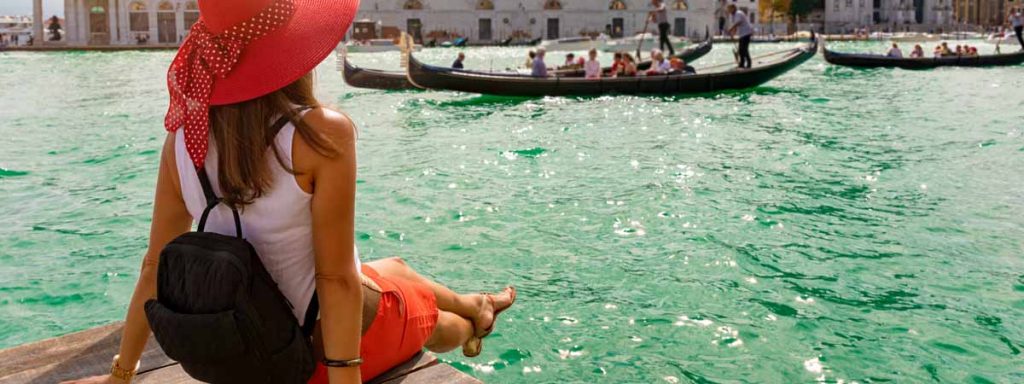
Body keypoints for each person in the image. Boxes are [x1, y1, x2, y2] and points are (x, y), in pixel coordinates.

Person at [61, 1, 517, 384]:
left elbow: (153, 266)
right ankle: (473, 323)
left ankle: (477, 302)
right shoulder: (320, 134)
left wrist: (121, 374)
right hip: (306, 360)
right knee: (432, 320)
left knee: (394, 268)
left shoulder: (182, 138)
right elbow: (335, 282)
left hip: (241, 343)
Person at [727, 4, 754, 69]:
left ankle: (749, 64)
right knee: (741, 49)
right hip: (742, 34)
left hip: (747, 32)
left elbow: (738, 22)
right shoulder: (733, 15)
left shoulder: (738, 13)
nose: (729, 11)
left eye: (729, 9)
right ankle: (741, 64)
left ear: (733, 8)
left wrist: (731, 28)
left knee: (744, 49)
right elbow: (736, 26)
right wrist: (733, 33)